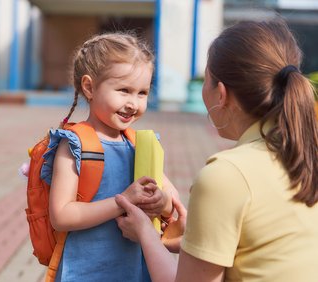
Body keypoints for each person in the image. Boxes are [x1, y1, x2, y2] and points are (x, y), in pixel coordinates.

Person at [115, 19, 318, 282]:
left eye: (206, 79)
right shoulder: (305, 153)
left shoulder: (227, 175)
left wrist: (145, 232)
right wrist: (196, 239)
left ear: (221, 93)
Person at [42, 32, 176, 281]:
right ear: (89, 87)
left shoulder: (140, 144)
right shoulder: (75, 145)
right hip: (85, 271)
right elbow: (61, 216)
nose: (133, 103)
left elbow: (171, 204)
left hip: (135, 271)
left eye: (142, 93)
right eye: (124, 90)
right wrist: (122, 201)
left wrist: (161, 202)